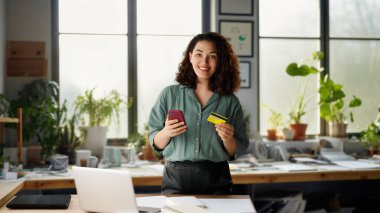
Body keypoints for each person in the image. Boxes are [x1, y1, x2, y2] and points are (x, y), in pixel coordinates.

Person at [148, 32, 249, 195]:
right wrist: (166, 132)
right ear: (190, 57)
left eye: (212, 56)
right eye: (199, 54)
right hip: (176, 178)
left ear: (220, 60)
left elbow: (237, 148)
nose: (204, 62)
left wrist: (228, 139)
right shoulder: (169, 94)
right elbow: (156, 142)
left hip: (217, 178)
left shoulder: (230, 101)